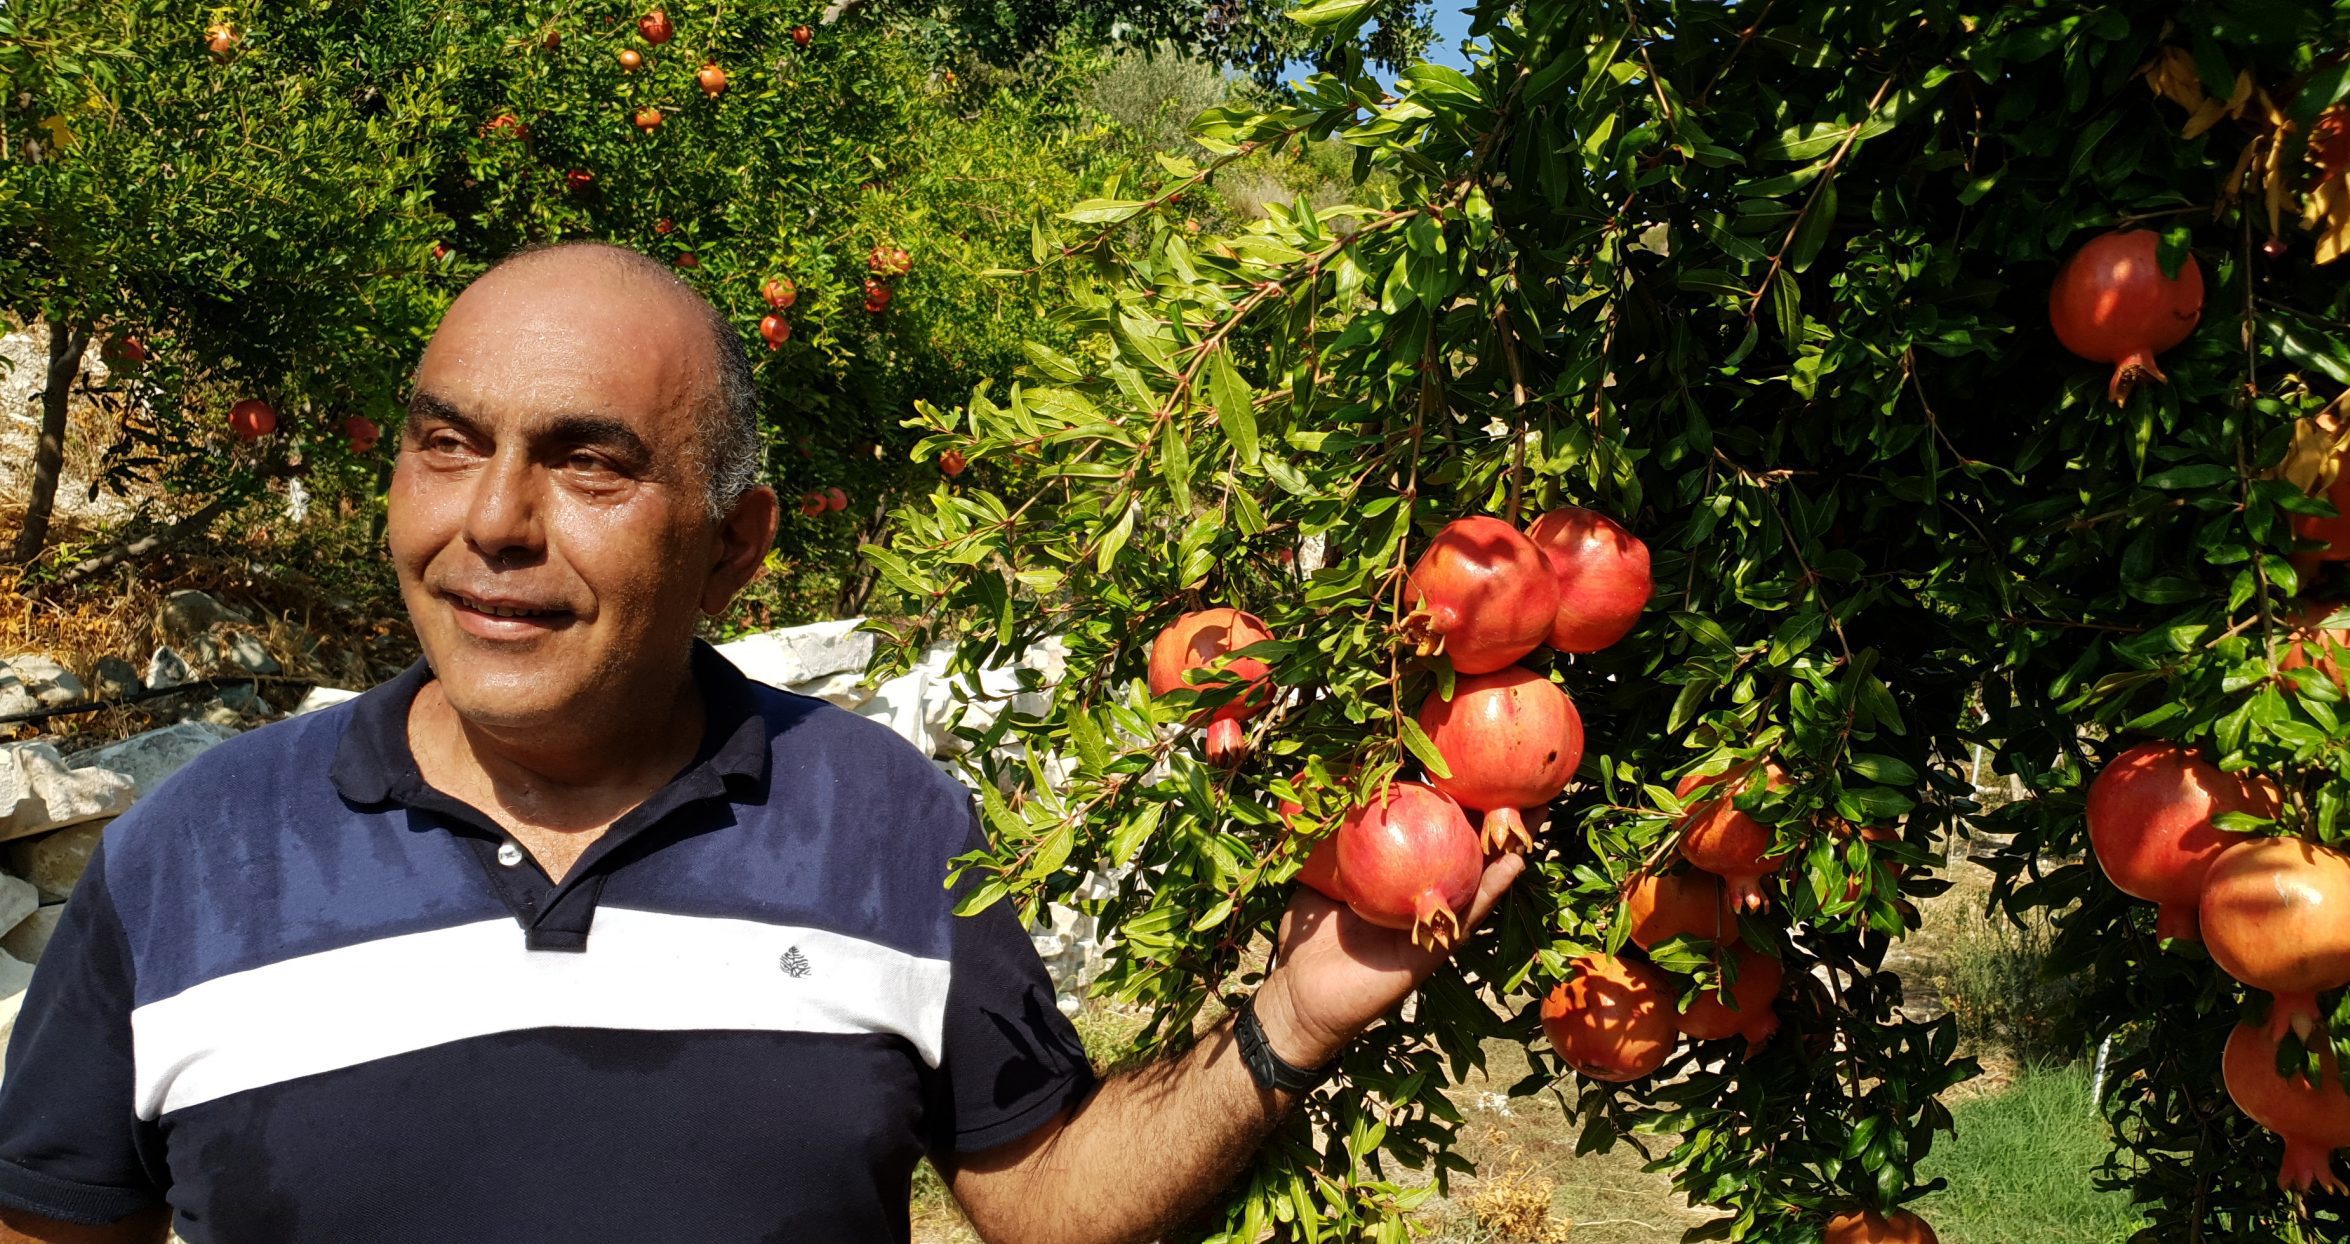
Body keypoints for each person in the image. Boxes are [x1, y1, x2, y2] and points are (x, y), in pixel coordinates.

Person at [0, 243, 1521, 1244]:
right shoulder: (184, 859)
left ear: (734, 548)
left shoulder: (890, 828)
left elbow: (1047, 1196)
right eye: (447, 444)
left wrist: (1290, 1017)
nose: (493, 522)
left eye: (588, 464)